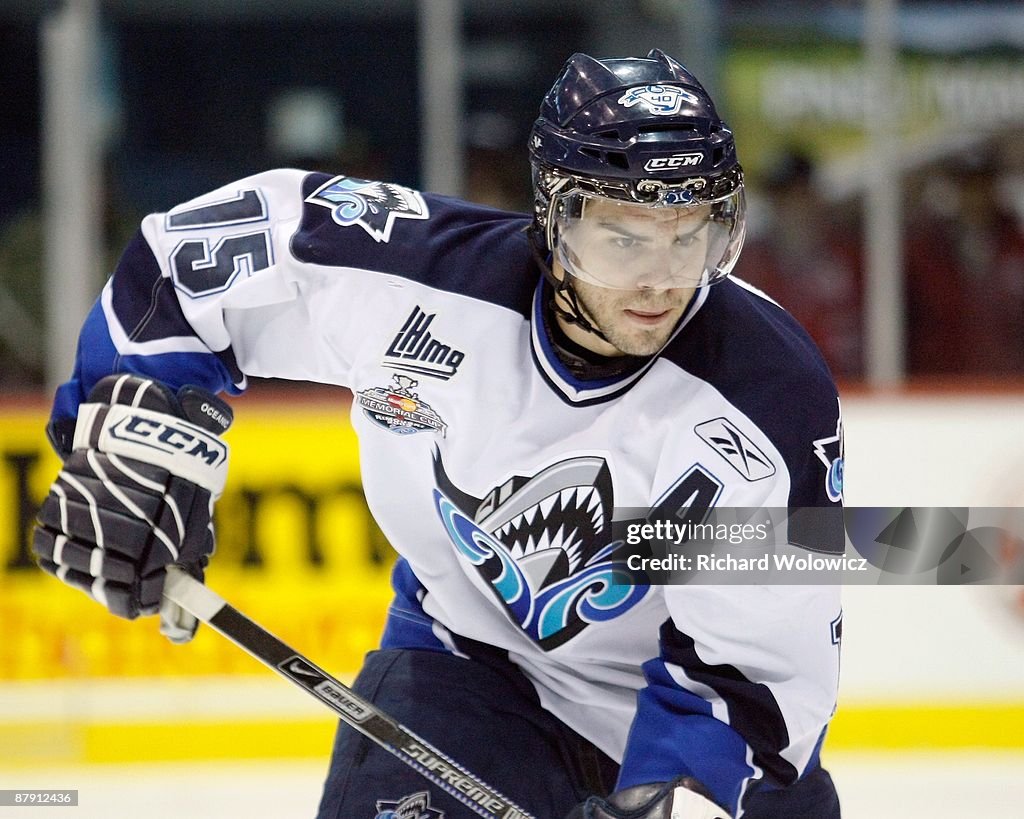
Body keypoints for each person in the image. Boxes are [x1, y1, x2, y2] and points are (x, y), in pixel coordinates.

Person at [32, 50, 845, 819]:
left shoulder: (768, 400)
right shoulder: (413, 278)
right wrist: (132, 446)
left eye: (690, 232)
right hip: (467, 664)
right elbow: (183, 264)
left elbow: (757, 677)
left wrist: (656, 793)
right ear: (555, 217)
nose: (662, 277)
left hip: (693, 739)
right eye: (624, 236)